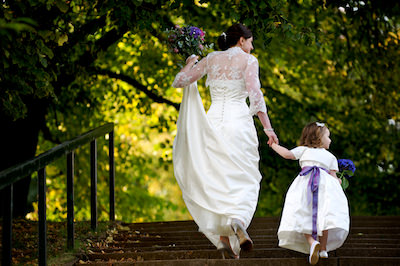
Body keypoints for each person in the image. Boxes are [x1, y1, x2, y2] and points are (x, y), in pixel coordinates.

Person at [171, 23, 278, 259]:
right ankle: (238, 221)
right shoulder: (250, 61)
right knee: (245, 178)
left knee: (218, 179)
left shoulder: (211, 58)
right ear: (241, 40)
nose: (252, 46)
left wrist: (189, 64)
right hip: (238, 124)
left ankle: (222, 241)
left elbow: (179, 81)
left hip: (213, 125)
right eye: (250, 41)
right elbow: (255, 95)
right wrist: (268, 128)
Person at [270, 122, 349, 265]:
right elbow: (334, 177)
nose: (330, 140)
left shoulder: (303, 150)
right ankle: (323, 249)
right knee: (326, 216)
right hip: (325, 190)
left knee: (304, 213)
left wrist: (273, 145)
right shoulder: (330, 157)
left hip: (305, 186)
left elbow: (287, 154)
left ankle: (312, 242)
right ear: (319, 137)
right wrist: (339, 182)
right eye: (328, 136)